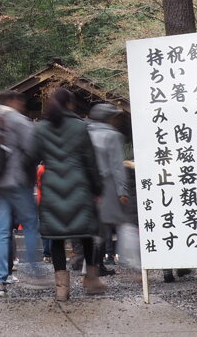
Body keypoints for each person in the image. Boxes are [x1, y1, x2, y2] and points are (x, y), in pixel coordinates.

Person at [28, 87, 104, 301]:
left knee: (57, 238)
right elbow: (90, 161)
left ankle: (62, 288)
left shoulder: (41, 128)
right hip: (79, 185)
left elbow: (31, 158)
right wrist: (97, 187)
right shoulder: (80, 127)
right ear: (70, 104)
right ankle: (91, 280)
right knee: (87, 234)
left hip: (52, 186)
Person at [0, 90, 43, 297]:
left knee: (0, 230)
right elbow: (34, 149)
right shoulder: (19, 120)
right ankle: (32, 269)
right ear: (14, 101)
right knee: (31, 223)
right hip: (17, 182)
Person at [86, 103, 131, 275]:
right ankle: (96, 265)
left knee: (94, 226)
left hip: (88, 185)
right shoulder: (112, 136)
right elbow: (117, 166)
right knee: (105, 226)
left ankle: (93, 264)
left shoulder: (86, 132)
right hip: (108, 185)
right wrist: (122, 191)